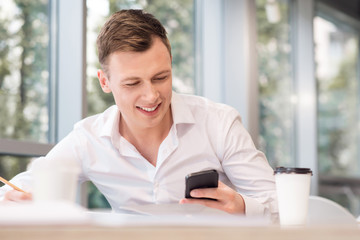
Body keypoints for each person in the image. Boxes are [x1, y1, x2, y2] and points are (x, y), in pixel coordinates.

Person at [0, 9, 278, 218]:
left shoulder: (219, 123)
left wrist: (243, 206)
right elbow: (16, 191)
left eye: (161, 77)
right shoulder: (89, 138)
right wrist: (20, 202)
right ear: (105, 82)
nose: (151, 96)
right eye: (132, 83)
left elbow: (282, 206)